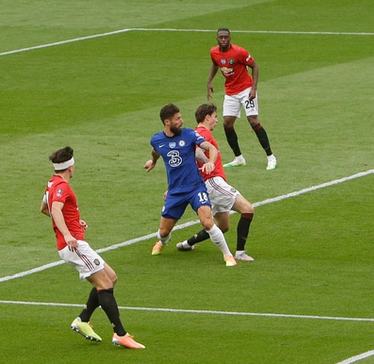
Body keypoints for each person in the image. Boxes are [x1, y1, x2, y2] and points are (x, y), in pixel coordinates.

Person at [40, 146, 145, 349]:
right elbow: (54, 209)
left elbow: (44, 208)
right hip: (73, 245)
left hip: (74, 241)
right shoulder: (62, 186)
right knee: (105, 285)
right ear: (70, 167)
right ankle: (120, 334)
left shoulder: (51, 183)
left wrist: (73, 223)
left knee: (111, 277)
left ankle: (82, 319)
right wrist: (68, 233)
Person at [144, 103, 237, 267]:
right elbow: (155, 150)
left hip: (196, 188)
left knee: (207, 222)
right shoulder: (157, 140)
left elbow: (211, 148)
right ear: (167, 122)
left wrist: (210, 161)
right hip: (175, 192)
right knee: (164, 232)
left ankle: (228, 255)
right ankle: (163, 242)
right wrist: (153, 161)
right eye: (177, 119)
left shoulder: (189, 135)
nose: (182, 121)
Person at [176, 103, 256, 261]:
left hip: (209, 183)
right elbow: (197, 150)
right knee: (248, 209)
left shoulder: (196, 132)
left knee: (223, 225)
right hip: (212, 181)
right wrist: (208, 162)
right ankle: (240, 253)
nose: (217, 121)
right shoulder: (202, 132)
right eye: (215, 117)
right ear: (207, 117)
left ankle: (186, 244)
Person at [206, 27, 277, 171]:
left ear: (230, 38)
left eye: (226, 37)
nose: (224, 39)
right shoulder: (214, 52)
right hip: (231, 92)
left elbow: (254, 66)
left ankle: (270, 156)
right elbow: (215, 64)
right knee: (227, 124)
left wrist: (254, 88)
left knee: (253, 120)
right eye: (221, 37)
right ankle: (239, 158)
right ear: (217, 39)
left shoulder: (239, 52)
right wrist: (209, 81)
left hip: (246, 90)